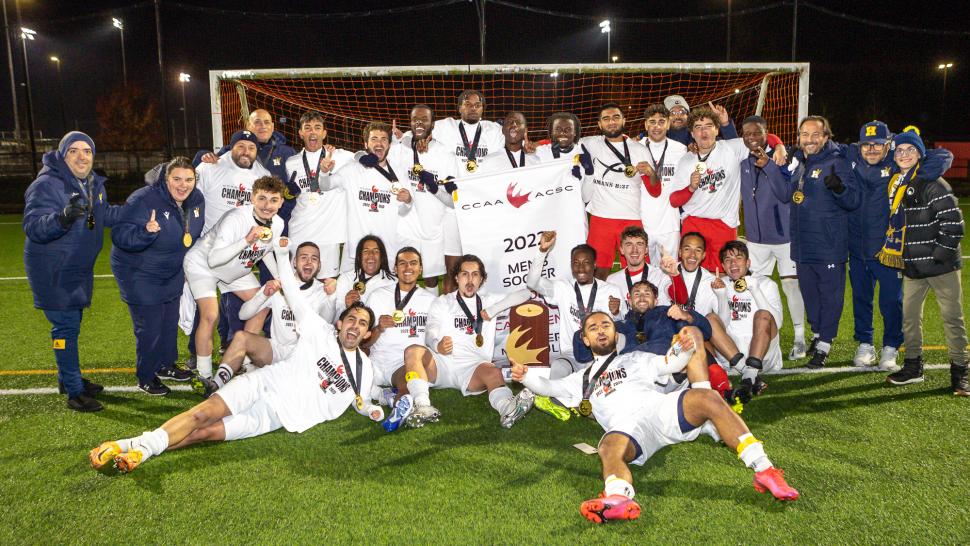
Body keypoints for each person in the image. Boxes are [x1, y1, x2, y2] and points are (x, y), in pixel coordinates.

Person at [88, 240, 384, 474]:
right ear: (339, 324)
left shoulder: (364, 369)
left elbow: (360, 400)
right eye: (352, 320)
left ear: (367, 334)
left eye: (362, 324)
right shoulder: (319, 331)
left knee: (205, 433)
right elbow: (292, 292)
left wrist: (372, 410)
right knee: (202, 414)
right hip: (263, 383)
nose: (355, 326)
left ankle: (139, 449)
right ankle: (127, 446)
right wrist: (282, 255)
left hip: (276, 416)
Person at [512, 315, 798, 523]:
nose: (601, 331)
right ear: (585, 339)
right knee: (608, 447)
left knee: (708, 398)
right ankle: (619, 499)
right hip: (627, 428)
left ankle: (765, 471)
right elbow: (549, 388)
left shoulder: (635, 358)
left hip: (659, 410)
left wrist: (684, 347)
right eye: (593, 328)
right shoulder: (581, 378)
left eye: (606, 325)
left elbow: (671, 364)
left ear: (615, 334)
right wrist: (526, 376)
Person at [23, 131, 122, 412]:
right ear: (63, 155)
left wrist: (138, 213)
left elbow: (104, 215)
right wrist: (62, 218)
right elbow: (33, 227)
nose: (82, 156)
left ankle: (68, 378)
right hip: (53, 270)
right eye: (74, 151)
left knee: (71, 326)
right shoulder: (46, 185)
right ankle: (74, 392)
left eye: (87, 151)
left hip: (76, 268)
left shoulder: (91, 184)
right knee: (65, 328)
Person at [846, 121, 954, 370]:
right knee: (861, 300)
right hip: (857, 248)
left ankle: (891, 346)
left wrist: (916, 160)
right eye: (866, 145)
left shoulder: (897, 165)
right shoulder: (850, 161)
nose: (872, 149)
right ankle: (865, 343)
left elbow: (943, 156)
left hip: (887, 250)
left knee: (890, 302)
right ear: (859, 146)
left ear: (889, 145)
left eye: (878, 145)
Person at [394, 255, 534, 428]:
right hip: (441, 363)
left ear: (481, 279)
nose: (470, 280)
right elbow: (430, 331)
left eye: (475, 274)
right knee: (412, 351)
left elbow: (527, 293)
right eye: (465, 274)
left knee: (493, 373)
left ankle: (508, 409)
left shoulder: (489, 301)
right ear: (456, 278)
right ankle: (423, 406)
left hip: (473, 367)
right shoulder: (443, 301)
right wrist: (437, 344)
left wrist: (494, 309)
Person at [110, 157, 205, 395]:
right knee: (150, 327)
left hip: (171, 269)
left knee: (168, 322)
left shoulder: (196, 200)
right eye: (176, 179)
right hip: (139, 272)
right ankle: (146, 375)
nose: (183, 185)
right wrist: (145, 232)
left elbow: (193, 234)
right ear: (165, 179)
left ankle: (165, 364)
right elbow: (120, 235)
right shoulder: (143, 199)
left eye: (188, 179)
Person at [883, 128, 967, 395]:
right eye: (899, 150)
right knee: (909, 318)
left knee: (952, 319)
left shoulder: (933, 183)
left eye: (910, 150)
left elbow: (954, 224)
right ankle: (913, 366)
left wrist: (938, 257)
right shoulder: (897, 183)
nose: (904, 154)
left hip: (940, 266)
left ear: (920, 154)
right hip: (913, 266)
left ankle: (961, 372)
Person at [192, 241, 334, 397]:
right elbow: (243, 314)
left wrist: (331, 297)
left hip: (303, 357)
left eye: (314, 258)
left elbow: (329, 323)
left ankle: (263, 373)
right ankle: (215, 385)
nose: (308, 262)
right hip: (276, 352)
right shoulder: (278, 286)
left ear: (319, 265)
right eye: (304, 257)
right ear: (294, 262)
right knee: (241, 337)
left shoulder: (324, 291)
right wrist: (264, 294)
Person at [182, 176, 285, 380]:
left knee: (262, 304)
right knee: (210, 315)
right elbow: (214, 260)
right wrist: (247, 240)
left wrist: (282, 280)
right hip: (204, 264)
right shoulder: (236, 218)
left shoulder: (278, 223)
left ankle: (244, 361)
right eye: (262, 198)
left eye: (274, 200)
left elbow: (265, 251)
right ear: (252, 198)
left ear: (281, 202)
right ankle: (204, 374)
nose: (267, 205)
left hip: (234, 268)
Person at [186, 129, 272, 363]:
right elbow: (189, 199)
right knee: (205, 313)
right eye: (240, 146)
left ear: (257, 151)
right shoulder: (211, 167)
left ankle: (239, 356)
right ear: (230, 147)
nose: (246, 152)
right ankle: (197, 356)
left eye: (251, 148)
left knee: (255, 304)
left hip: (238, 256)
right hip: (209, 252)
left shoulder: (262, 175)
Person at [779, 116, 859, 368]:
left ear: (826, 137)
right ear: (799, 137)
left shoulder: (838, 163)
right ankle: (816, 335)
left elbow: (853, 202)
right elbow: (788, 196)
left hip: (828, 245)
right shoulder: (800, 163)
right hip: (803, 246)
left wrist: (839, 189)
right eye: (805, 134)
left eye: (815, 135)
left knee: (830, 297)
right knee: (810, 296)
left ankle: (825, 343)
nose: (809, 140)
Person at [738, 115, 807, 360]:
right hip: (756, 240)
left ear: (767, 133)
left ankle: (799, 337)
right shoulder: (741, 159)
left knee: (790, 285)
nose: (751, 138)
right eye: (746, 134)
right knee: (756, 287)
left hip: (784, 237)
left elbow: (786, 193)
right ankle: (758, 334)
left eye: (756, 133)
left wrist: (769, 163)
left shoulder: (784, 158)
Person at [317, 122, 417, 274]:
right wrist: (324, 172)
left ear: (389, 144)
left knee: (384, 295)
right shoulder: (352, 169)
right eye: (374, 139)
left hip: (386, 249)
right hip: (355, 249)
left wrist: (408, 201)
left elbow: (402, 212)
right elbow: (326, 186)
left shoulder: (399, 171)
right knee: (349, 293)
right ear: (365, 143)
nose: (379, 143)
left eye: (384, 139)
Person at [527, 231, 624, 377]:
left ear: (595, 265)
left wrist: (616, 313)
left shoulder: (611, 290)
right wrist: (542, 251)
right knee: (558, 367)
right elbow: (532, 283)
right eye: (576, 263)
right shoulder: (563, 288)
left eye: (586, 263)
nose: (580, 268)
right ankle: (559, 396)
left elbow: (622, 325)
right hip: (571, 353)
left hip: (602, 352)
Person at [360, 247, 437, 428]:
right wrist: (378, 328)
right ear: (395, 268)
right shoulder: (378, 296)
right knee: (349, 385)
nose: (407, 267)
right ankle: (383, 395)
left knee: (407, 384)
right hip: (376, 361)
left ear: (421, 269)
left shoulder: (430, 301)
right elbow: (365, 342)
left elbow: (434, 339)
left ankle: (398, 409)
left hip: (403, 363)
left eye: (413, 263)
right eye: (402, 263)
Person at [669, 106, 749, 272]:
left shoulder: (731, 148)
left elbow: (760, 137)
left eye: (708, 126)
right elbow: (674, 200)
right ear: (691, 133)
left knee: (724, 274)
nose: (703, 131)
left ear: (716, 129)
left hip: (724, 223)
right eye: (698, 127)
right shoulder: (685, 160)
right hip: (694, 223)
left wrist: (778, 146)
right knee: (690, 274)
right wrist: (690, 188)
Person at [579, 103, 653, 279]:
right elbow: (562, 142)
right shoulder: (589, 144)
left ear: (624, 120)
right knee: (598, 272)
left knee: (639, 271)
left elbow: (654, 189)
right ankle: (597, 305)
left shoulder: (639, 149)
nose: (611, 122)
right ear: (599, 124)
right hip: (600, 217)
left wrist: (651, 173)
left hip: (631, 217)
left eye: (615, 117)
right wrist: (535, 144)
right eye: (606, 118)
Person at [389, 104, 457, 289]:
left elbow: (453, 202)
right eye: (415, 119)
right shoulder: (400, 150)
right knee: (402, 274)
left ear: (433, 124)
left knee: (431, 279)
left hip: (432, 229)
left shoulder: (445, 155)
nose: (419, 122)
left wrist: (434, 187)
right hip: (405, 228)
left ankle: (429, 314)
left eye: (424, 119)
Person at [285, 111, 355, 279]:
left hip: (329, 235)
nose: (312, 132)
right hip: (300, 231)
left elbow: (367, 157)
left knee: (327, 286)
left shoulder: (341, 157)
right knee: (298, 284)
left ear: (324, 133)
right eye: (307, 128)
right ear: (301, 133)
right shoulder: (291, 162)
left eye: (317, 128)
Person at [713, 241, 784, 403]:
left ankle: (751, 372)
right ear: (723, 266)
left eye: (738, 258)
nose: (733, 263)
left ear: (748, 262)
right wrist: (722, 296)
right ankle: (749, 376)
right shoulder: (719, 284)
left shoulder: (766, 284)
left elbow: (777, 323)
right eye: (728, 260)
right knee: (710, 320)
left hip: (764, 355)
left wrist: (755, 290)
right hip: (732, 357)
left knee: (763, 315)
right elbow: (719, 327)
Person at [195, 109, 296, 222]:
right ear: (248, 125)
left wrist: (289, 197)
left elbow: (293, 189)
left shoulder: (288, 153)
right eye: (257, 122)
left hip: (273, 216)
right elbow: (213, 164)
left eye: (266, 122)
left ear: (272, 126)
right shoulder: (229, 151)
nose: (262, 126)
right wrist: (202, 157)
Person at [638, 103, 688, 265]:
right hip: (642, 222)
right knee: (645, 276)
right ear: (645, 124)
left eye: (661, 121)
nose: (657, 126)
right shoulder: (635, 148)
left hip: (669, 224)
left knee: (669, 274)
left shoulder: (680, 150)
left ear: (668, 123)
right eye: (652, 122)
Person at [606, 225, 675, 309]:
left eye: (639, 244)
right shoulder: (612, 281)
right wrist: (616, 312)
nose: (634, 250)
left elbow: (681, 299)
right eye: (629, 244)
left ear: (646, 249)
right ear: (621, 250)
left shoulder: (660, 275)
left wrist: (674, 274)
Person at [332, 235, 397, 316]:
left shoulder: (393, 283)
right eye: (366, 251)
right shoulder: (345, 279)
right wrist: (347, 307)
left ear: (382, 257)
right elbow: (334, 318)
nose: (371, 255)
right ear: (359, 257)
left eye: (376, 251)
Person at [662, 94, 739, 146]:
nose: (678, 115)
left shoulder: (702, 137)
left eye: (682, 111)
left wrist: (725, 124)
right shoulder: (655, 141)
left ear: (688, 115)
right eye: (672, 112)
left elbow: (735, 148)